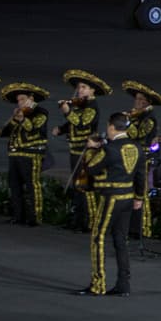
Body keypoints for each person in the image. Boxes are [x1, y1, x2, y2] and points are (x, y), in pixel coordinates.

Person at [78, 112, 138, 297]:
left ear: (112, 127)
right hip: (128, 196)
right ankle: (123, 284)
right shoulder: (136, 147)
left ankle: (98, 284)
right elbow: (141, 174)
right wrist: (140, 197)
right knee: (121, 240)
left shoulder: (110, 149)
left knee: (98, 238)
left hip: (112, 197)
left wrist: (91, 149)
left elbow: (91, 168)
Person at [52, 70, 110, 232]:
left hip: (86, 151)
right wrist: (62, 129)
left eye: (84, 87)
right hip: (74, 149)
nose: (80, 90)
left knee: (85, 186)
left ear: (92, 90)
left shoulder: (92, 106)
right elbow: (72, 124)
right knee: (77, 187)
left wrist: (67, 112)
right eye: (79, 87)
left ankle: (88, 222)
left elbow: (81, 123)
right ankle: (76, 220)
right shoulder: (79, 104)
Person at [0, 81, 49, 227]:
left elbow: (33, 128)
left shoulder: (41, 112)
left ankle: (35, 217)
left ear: (31, 98)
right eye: (18, 101)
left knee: (32, 186)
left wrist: (21, 118)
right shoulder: (19, 113)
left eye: (22, 99)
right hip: (15, 154)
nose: (19, 103)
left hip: (31, 154)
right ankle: (18, 216)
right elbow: (9, 129)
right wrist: (0, 132)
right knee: (15, 185)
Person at [121, 81, 161, 239]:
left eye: (142, 100)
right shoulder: (137, 115)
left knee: (141, 193)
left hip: (143, 158)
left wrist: (128, 122)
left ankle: (143, 228)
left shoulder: (149, 119)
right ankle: (131, 227)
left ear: (148, 102)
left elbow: (137, 135)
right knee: (131, 192)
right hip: (133, 157)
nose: (138, 102)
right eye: (137, 99)